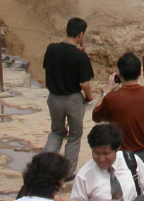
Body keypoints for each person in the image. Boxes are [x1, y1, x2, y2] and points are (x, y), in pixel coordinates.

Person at [91, 52, 144, 184]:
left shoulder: (112, 98)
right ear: (140, 73)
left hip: (122, 156)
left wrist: (107, 91)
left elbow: (96, 115)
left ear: (119, 75)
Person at [43, 17, 95, 177]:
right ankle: (67, 173)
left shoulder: (51, 49)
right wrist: (90, 97)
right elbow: (85, 84)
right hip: (73, 100)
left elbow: (48, 67)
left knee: (57, 132)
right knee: (74, 136)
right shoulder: (80, 57)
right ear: (80, 34)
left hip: (54, 98)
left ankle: (45, 168)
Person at [70, 123, 144, 201]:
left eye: (106, 153)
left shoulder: (131, 161)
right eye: (96, 153)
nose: (101, 159)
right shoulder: (84, 176)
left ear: (117, 148)